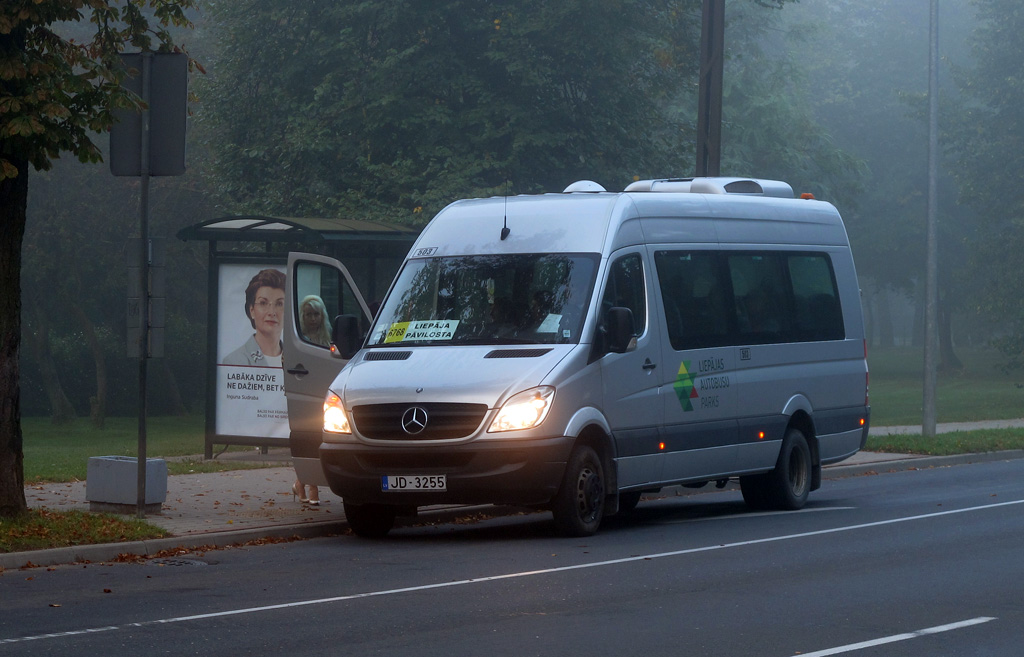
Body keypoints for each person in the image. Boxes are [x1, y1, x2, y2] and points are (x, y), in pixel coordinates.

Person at [222, 269, 286, 366]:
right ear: (252, 310)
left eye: (279, 304)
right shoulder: (234, 361)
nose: (272, 312)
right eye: (263, 303)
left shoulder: (298, 360)